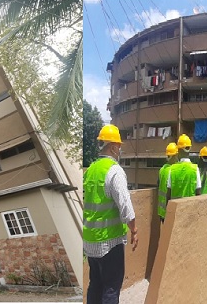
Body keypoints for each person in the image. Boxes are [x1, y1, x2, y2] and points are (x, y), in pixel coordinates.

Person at [84, 124, 138, 304]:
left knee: (95, 284)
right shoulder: (114, 171)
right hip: (109, 242)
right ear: (113, 147)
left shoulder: (90, 169)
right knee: (111, 288)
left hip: (90, 241)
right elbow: (125, 206)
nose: (120, 150)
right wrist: (134, 230)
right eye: (119, 147)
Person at [166, 134, 202, 217]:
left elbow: (168, 194)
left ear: (178, 150)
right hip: (190, 212)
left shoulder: (172, 169)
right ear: (189, 149)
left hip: (175, 213)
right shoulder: (195, 169)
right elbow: (198, 193)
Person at [156, 143, 179, 223]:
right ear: (174, 156)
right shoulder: (173, 170)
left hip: (161, 210)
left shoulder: (162, 169)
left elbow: (158, 186)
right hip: (169, 209)